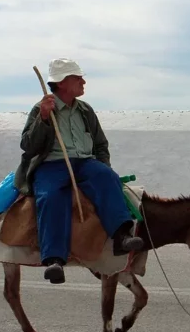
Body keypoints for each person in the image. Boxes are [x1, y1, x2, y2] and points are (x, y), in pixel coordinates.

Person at [13, 58, 145, 284]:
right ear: (62, 83)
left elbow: (100, 144)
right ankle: (54, 259)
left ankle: (122, 236)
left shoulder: (85, 110)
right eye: (77, 78)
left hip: (85, 163)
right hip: (51, 165)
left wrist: (103, 165)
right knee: (50, 196)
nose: (83, 82)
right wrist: (44, 118)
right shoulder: (41, 108)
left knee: (108, 178)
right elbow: (28, 145)